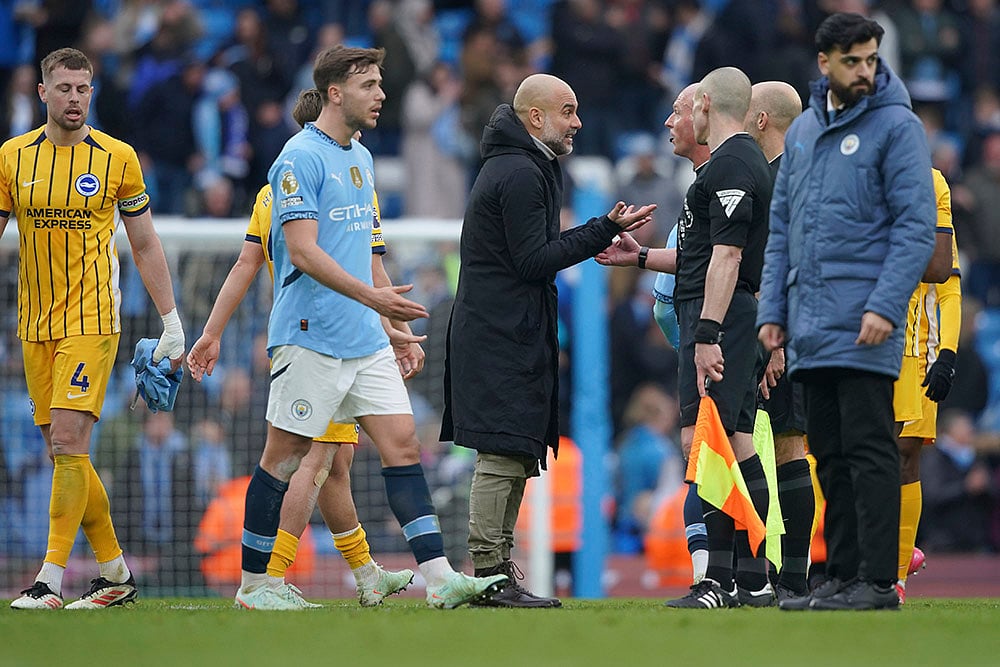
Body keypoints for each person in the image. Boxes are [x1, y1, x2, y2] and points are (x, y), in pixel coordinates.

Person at [234, 45, 507, 611]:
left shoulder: (361, 157)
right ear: (335, 92)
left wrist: (391, 323)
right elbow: (304, 253)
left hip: (363, 338)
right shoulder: (297, 159)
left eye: (381, 84)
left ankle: (439, 579)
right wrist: (371, 297)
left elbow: (370, 251)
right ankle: (256, 585)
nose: (382, 94)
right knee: (284, 460)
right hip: (310, 334)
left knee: (403, 445)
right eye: (370, 85)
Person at [187, 88, 417, 608]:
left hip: (340, 340)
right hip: (319, 340)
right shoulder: (303, 179)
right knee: (308, 464)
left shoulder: (291, 191)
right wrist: (212, 333)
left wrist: (213, 332)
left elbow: (250, 264)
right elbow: (358, 271)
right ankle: (269, 576)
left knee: (332, 465)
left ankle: (364, 573)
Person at [441, 72, 655, 608]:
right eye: (568, 110)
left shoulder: (524, 165)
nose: (578, 122)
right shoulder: (518, 172)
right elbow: (534, 259)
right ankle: (488, 573)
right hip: (498, 335)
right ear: (535, 118)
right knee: (499, 450)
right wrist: (602, 228)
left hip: (510, 331)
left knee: (512, 451)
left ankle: (496, 572)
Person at [757, 13, 937, 611]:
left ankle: (879, 582)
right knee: (827, 453)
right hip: (809, 325)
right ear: (824, 63)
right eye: (852, 60)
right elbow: (783, 229)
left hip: (866, 322)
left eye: (871, 58)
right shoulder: (805, 131)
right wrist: (775, 313)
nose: (865, 70)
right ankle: (838, 576)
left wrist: (886, 306)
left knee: (869, 449)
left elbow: (915, 230)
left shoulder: (898, 128)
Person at [4, 48, 186, 610]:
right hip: (34, 324)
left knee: (66, 442)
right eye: (64, 88)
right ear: (43, 93)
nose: (75, 98)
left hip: (92, 319)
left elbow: (145, 241)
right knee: (68, 456)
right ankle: (115, 574)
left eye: (84, 88)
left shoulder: (116, 158)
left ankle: (50, 580)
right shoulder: (12, 157)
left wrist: (171, 319)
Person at [597, 71, 773, 608]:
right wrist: (642, 257)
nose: (672, 121)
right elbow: (702, 257)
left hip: (718, 317)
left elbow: (728, 259)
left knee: (711, 444)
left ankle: (718, 581)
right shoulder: (723, 167)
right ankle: (752, 579)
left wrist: (706, 335)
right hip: (719, 311)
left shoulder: (732, 164)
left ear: (703, 105)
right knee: (731, 442)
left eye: (678, 109)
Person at [744, 80, 816, 603]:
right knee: (797, 447)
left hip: (786, 331)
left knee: (788, 446)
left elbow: (786, 265)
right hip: (810, 328)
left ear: (763, 120)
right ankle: (792, 575)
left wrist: (776, 336)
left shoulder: (780, 177)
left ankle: (785, 578)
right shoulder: (808, 172)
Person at [892, 167, 962, 604]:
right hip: (850, 338)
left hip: (915, 348)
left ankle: (894, 574)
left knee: (904, 454)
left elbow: (948, 282)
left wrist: (948, 354)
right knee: (827, 451)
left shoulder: (931, 181)